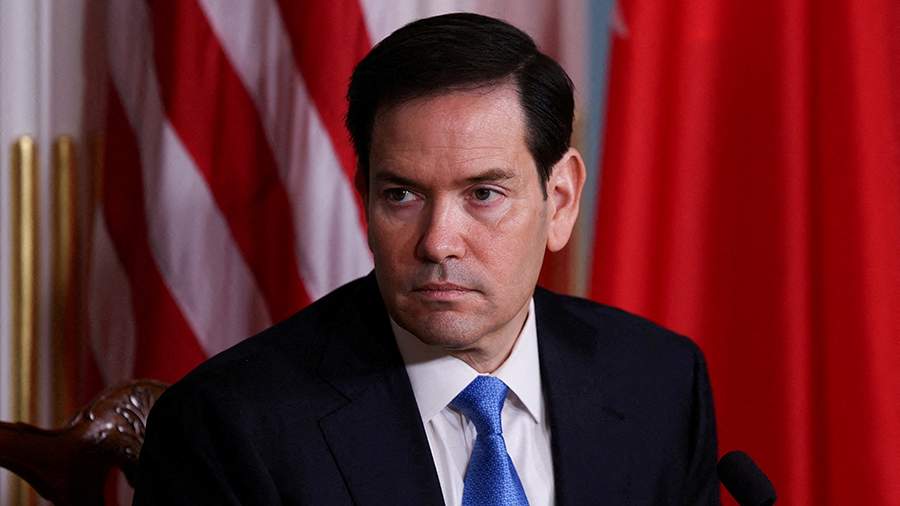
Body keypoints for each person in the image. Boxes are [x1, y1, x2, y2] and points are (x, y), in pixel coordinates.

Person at [134, 13, 719, 506]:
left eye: (483, 194)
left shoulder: (660, 382)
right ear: (365, 198)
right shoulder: (228, 426)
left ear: (560, 200)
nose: (438, 243)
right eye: (402, 196)